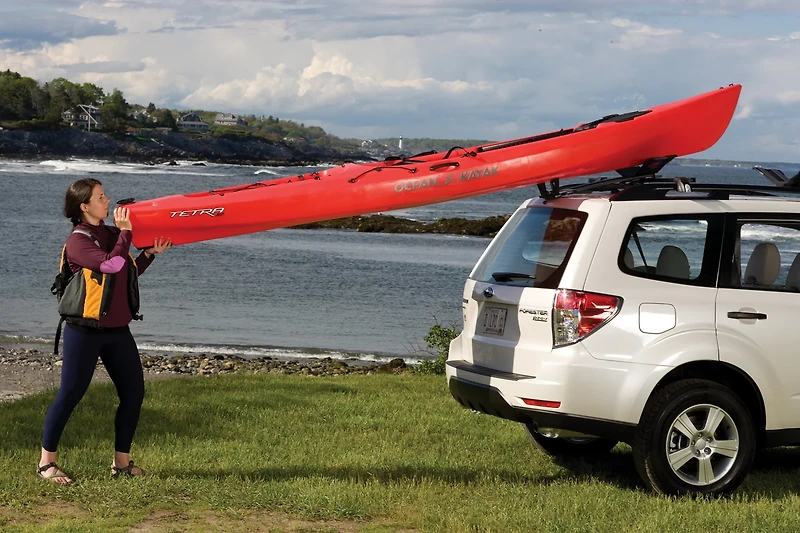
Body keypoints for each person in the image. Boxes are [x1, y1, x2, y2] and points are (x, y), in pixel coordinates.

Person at [37, 178, 171, 484]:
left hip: (117, 330)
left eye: (105, 195)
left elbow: (127, 269)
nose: (108, 200)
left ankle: (121, 464)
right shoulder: (78, 241)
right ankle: (46, 463)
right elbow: (109, 266)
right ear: (85, 207)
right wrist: (126, 232)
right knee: (70, 394)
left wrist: (149, 254)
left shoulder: (110, 233)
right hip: (84, 331)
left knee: (134, 393)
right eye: (101, 197)